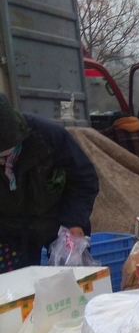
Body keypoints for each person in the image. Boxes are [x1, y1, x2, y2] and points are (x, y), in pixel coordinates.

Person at [0, 93, 99, 271]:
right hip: (12, 230)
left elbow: (84, 179)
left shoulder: (48, 135)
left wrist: (74, 221)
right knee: (17, 284)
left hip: (59, 222)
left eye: (5, 152)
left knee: (72, 281)